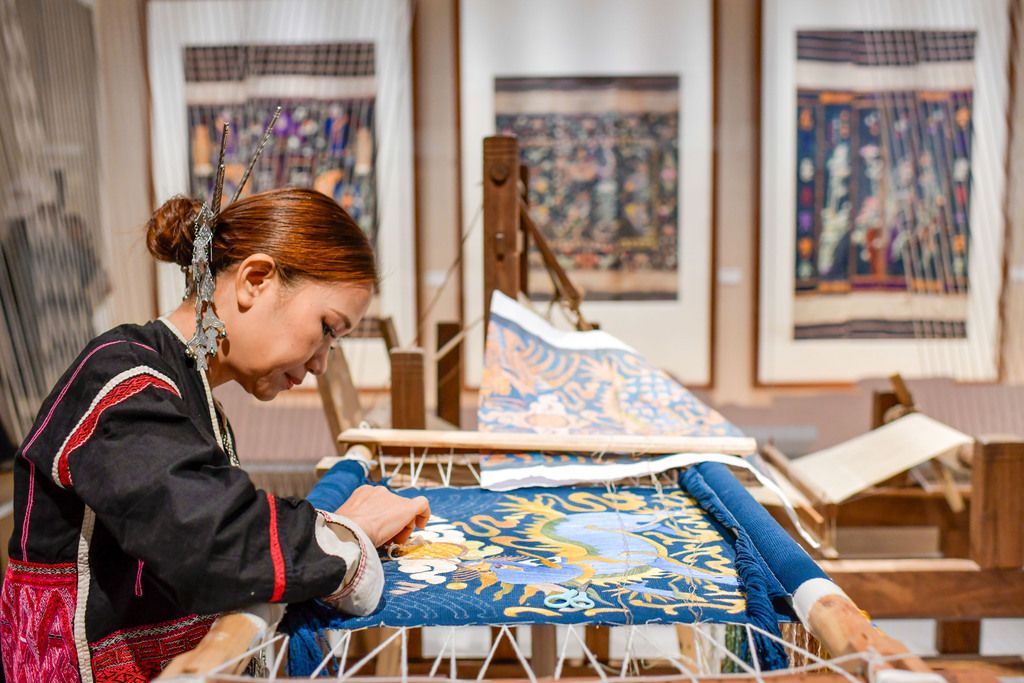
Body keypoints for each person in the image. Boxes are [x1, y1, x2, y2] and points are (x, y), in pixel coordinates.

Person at [0, 187, 429, 682]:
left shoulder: (182, 395)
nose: (321, 363)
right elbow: (213, 539)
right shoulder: (121, 381)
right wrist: (349, 532)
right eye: (328, 328)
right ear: (255, 280)